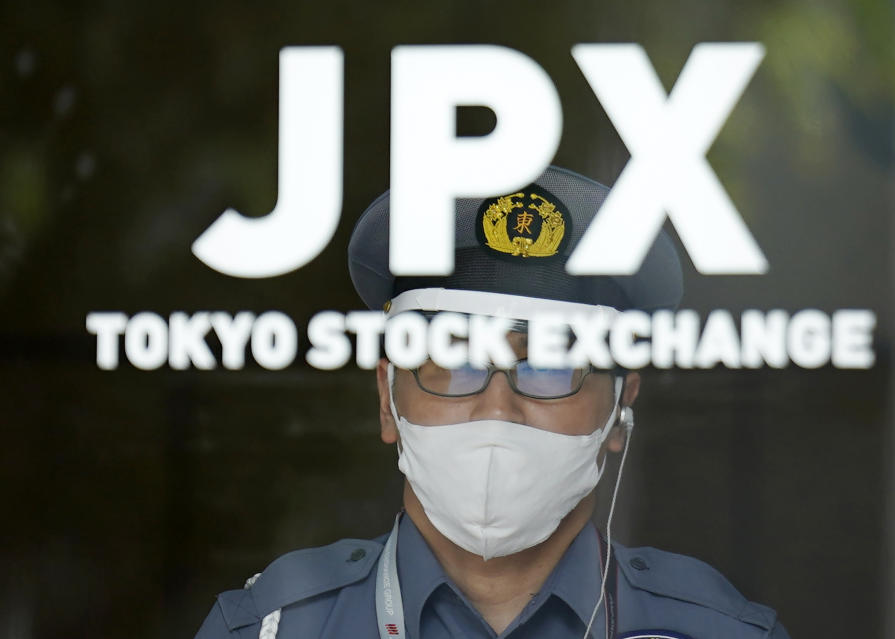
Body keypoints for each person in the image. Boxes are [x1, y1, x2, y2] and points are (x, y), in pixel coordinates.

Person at [194, 166, 790, 639]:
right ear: (386, 400)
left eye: (551, 365)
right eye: (454, 359)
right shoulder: (270, 630)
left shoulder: (716, 631)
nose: (497, 408)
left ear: (619, 407)